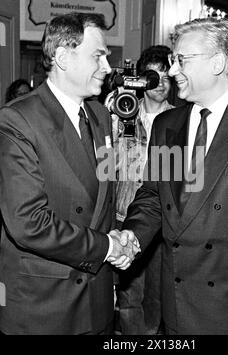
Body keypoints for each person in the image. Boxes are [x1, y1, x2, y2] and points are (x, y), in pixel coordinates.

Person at [118, 18, 228, 335]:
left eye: (181, 60)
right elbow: (154, 199)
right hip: (175, 296)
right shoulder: (167, 126)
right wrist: (133, 234)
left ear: (217, 62)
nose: (172, 71)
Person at [0, 12, 138, 335]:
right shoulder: (18, 120)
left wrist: (119, 236)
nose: (107, 67)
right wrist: (106, 247)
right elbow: (28, 224)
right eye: (98, 56)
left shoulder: (101, 117)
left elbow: (102, 200)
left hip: (99, 303)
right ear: (63, 57)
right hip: (46, 309)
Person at [113, 45, 174, 335]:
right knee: (129, 298)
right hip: (125, 217)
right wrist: (111, 119)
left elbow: (193, 176)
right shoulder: (124, 112)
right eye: (153, 76)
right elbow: (104, 166)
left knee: (157, 299)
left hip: (165, 222)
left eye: (166, 76)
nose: (161, 83)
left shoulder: (182, 119)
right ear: (140, 79)